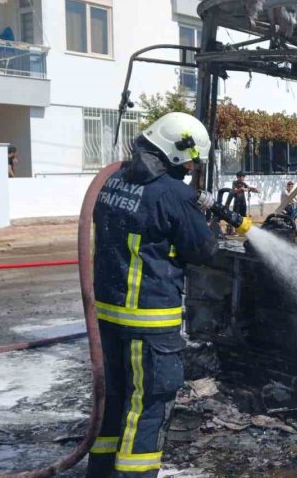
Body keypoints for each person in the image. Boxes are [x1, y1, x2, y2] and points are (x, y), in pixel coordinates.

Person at [88, 112, 218, 478]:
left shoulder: (112, 181)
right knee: (148, 406)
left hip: (108, 317)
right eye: (190, 162)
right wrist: (201, 214)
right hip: (150, 323)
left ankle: (99, 473)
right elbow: (204, 250)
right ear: (176, 152)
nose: (191, 169)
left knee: (116, 400)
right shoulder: (174, 194)